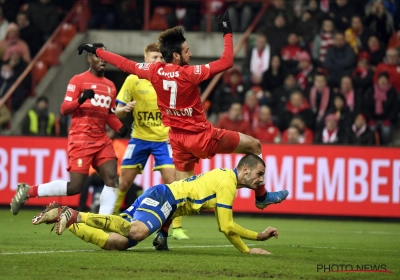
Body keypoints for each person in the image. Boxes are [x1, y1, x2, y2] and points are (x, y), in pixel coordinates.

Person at [77, 12, 289, 212]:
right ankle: (261, 196)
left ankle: (163, 233)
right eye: (187, 51)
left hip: (178, 142)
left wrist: (97, 51)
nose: (191, 53)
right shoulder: (191, 73)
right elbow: (227, 62)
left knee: (180, 195)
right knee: (255, 145)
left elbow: (124, 64)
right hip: (202, 137)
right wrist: (227, 32)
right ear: (177, 55)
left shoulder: (153, 71)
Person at [33, 154, 280, 254]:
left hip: (166, 201)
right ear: (245, 170)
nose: (261, 181)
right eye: (259, 174)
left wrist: (163, 230)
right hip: (165, 198)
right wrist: (255, 241)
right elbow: (226, 227)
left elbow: (224, 226)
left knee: (117, 243)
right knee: (137, 231)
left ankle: (63, 216)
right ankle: (76, 215)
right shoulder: (227, 183)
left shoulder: (226, 179)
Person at [10, 43, 127, 216]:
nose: (102, 60)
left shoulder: (110, 86)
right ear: (89, 58)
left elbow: (108, 114)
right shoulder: (78, 80)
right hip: (81, 139)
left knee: (112, 178)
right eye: (98, 57)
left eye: (104, 57)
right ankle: (28, 191)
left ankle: (103, 222)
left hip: (101, 140)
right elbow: (64, 109)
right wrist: (81, 99)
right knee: (75, 187)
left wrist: (120, 127)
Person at [114, 43, 184, 240]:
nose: (158, 61)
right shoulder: (132, 80)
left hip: (164, 139)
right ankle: (112, 219)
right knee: (124, 183)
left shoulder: (169, 80)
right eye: (154, 58)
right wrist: (124, 109)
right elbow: (117, 112)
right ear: (145, 60)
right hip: (139, 138)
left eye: (161, 58)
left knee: (173, 183)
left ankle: (172, 229)